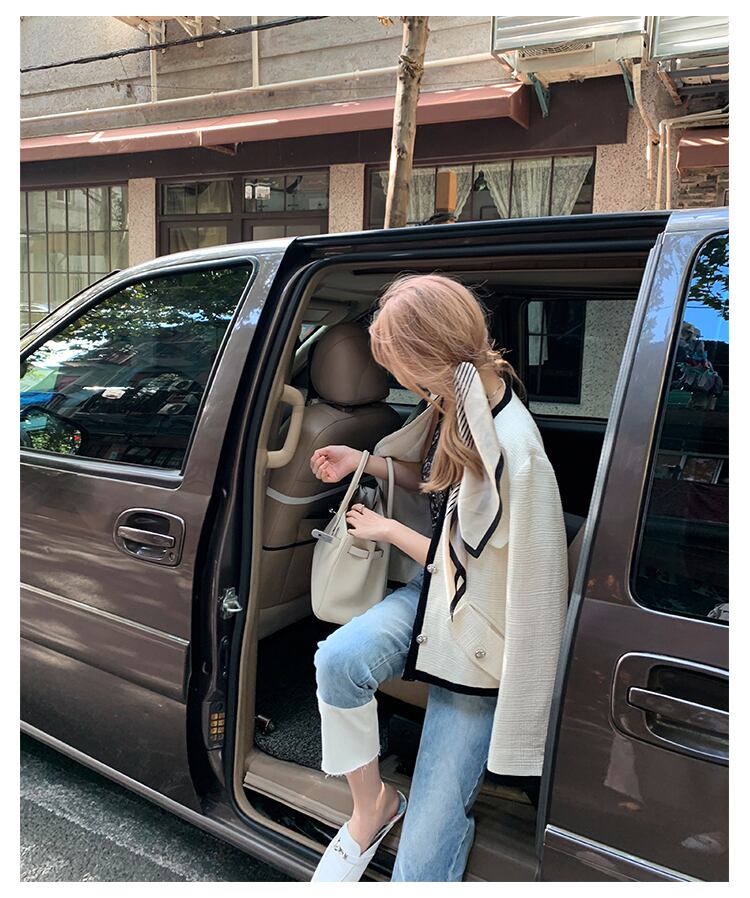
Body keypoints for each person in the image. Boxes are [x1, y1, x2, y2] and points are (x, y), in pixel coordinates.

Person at [308, 274, 568, 882]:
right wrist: (362, 461)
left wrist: (386, 530)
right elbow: (435, 487)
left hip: (480, 641)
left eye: (397, 364)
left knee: (424, 857)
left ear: (427, 356)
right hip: (436, 600)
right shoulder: (459, 404)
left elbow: (476, 572)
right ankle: (373, 806)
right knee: (338, 662)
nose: (396, 378)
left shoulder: (512, 446)